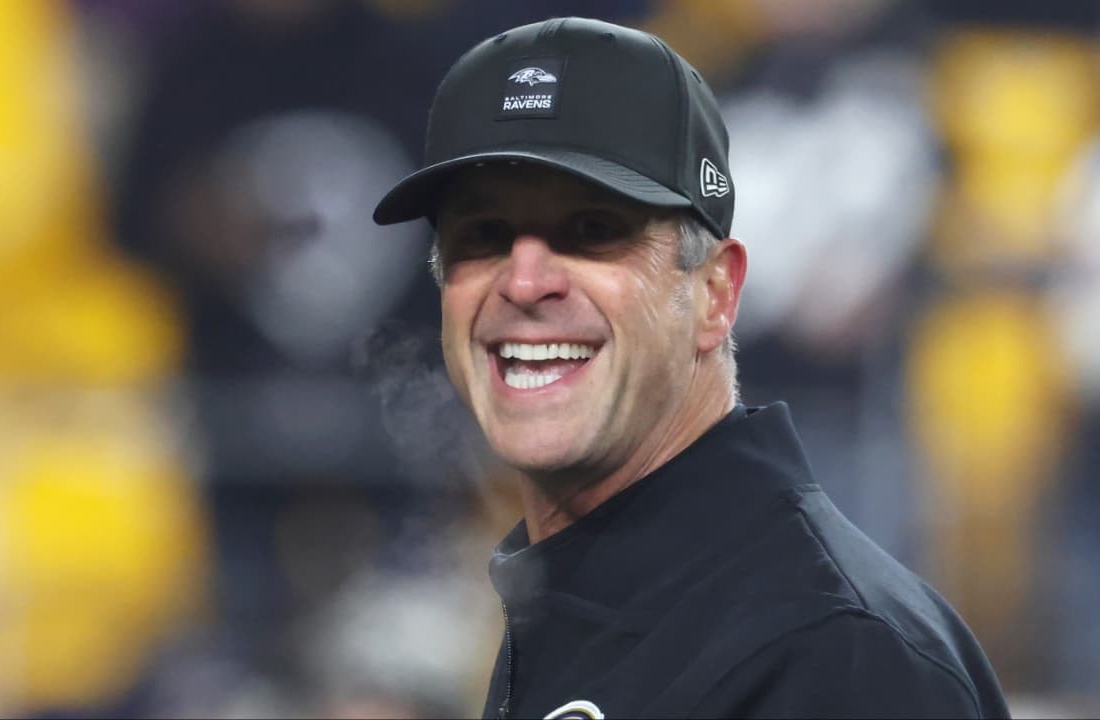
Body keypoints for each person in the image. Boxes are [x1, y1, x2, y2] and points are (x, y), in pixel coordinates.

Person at [373, 17, 1009, 719]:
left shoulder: (828, 650)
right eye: (483, 236)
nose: (524, 284)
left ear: (715, 293)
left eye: (591, 231)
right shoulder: (592, 595)